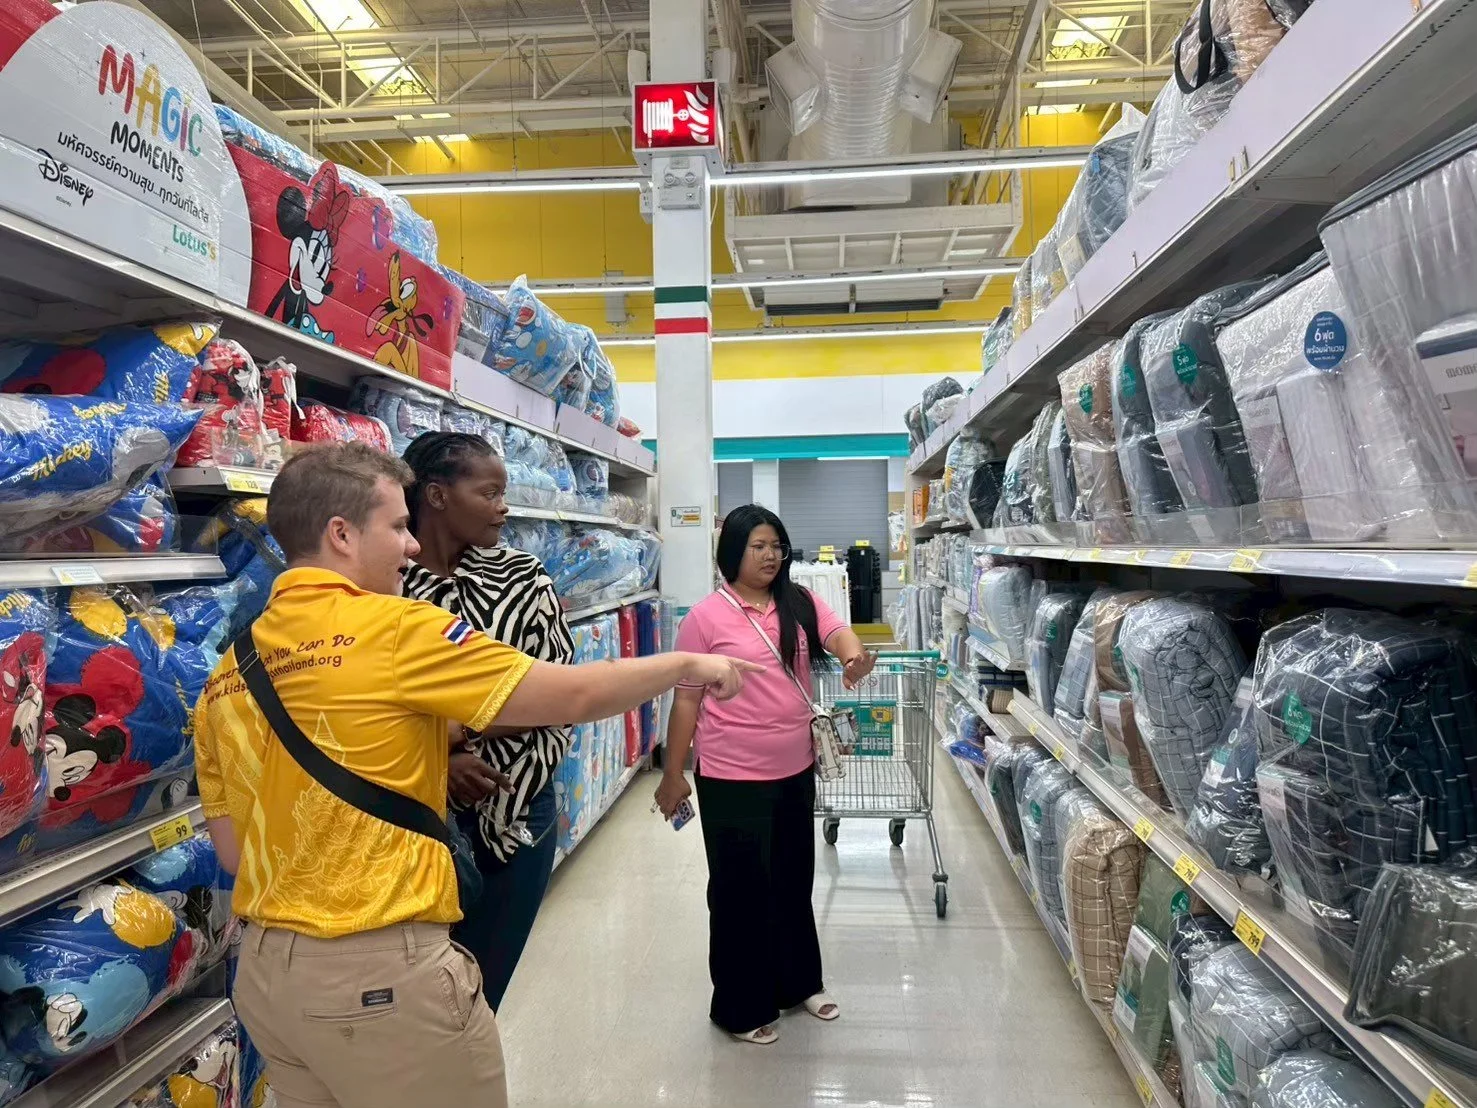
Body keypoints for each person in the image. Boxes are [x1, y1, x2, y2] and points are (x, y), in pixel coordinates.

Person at [193, 443, 759, 1108]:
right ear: (341, 535)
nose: (409, 547)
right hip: (382, 975)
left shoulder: (230, 673)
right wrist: (686, 666)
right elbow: (569, 696)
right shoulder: (397, 629)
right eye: (397, 527)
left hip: (268, 981)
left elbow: (235, 851)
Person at [654, 504, 877, 1046]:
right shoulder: (705, 618)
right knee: (738, 891)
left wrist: (854, 657)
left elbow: (837, 631)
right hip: (730, 775)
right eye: (758, 545)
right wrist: (673, 772)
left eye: (777, 544)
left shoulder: (797, 602)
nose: (771, 554)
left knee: (793, 880)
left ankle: (799, 983)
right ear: (732, 551)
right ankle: (741, 1005)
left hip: (795, 768)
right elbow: (685, 702)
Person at [399, 431, 572, 1011]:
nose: (504, 506)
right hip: (412, 818)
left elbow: (556, 686)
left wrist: (459, 731)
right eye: (490, 492)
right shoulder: (386, 588)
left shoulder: (525, 579)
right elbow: (361, 705)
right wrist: (439, 758)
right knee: (417, 995)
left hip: (521, 810)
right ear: (438, 496)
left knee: (482, 990)